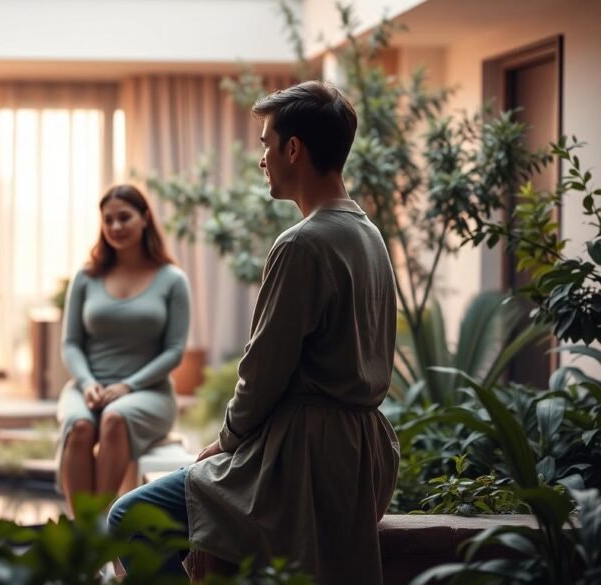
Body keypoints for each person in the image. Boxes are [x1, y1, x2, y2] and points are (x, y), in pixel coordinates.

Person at [108, 81, 400, 585]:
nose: (262, 159)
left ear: (293, 149)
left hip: (300, 457)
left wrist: (226, 440)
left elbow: (263, 371)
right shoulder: (367, 234)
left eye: (266, 144)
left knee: (130, 521)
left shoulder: (303, 245)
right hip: (361, 456)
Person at [56, 184, 191, 515]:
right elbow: (71, 343)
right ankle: (84, 535)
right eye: (108, 220)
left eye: (124, 218)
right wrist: (88, 383)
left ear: (145, 219)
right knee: (80, 426)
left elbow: (174, 351)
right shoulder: (86, 277)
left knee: (115, 419)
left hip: (149, 391)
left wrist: (127, 386)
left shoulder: (172, 279)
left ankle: (101, 531)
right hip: (88, 387)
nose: (115, 227)